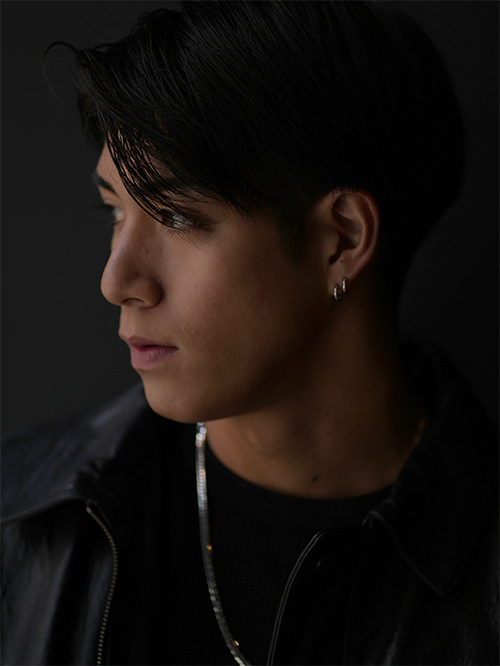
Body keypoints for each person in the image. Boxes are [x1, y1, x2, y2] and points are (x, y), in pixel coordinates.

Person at [2, 2, 498, 665]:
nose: (117, 281)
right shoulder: (20, 514)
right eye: (114, 211)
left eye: (176, 216)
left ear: (342, 239)